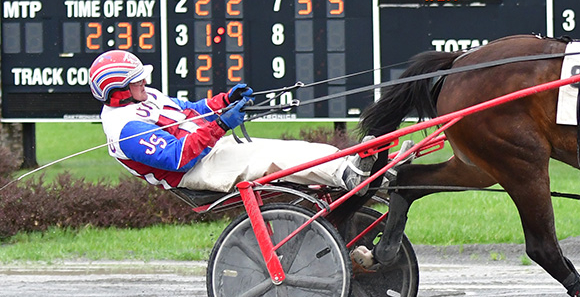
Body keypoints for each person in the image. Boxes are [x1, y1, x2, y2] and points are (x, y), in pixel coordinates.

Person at [89, 50, 377, 194]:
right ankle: (348, 175)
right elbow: (178, 157)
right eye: (136, 80)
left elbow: (192, 110)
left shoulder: (145, 96)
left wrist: (224, 101)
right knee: (275, 157)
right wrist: (221, 125)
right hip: (196, 171)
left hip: (211, 151)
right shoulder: (125, 129)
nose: (144, 82)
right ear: (118, 91)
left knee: (291, 147)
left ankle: (355, 166)